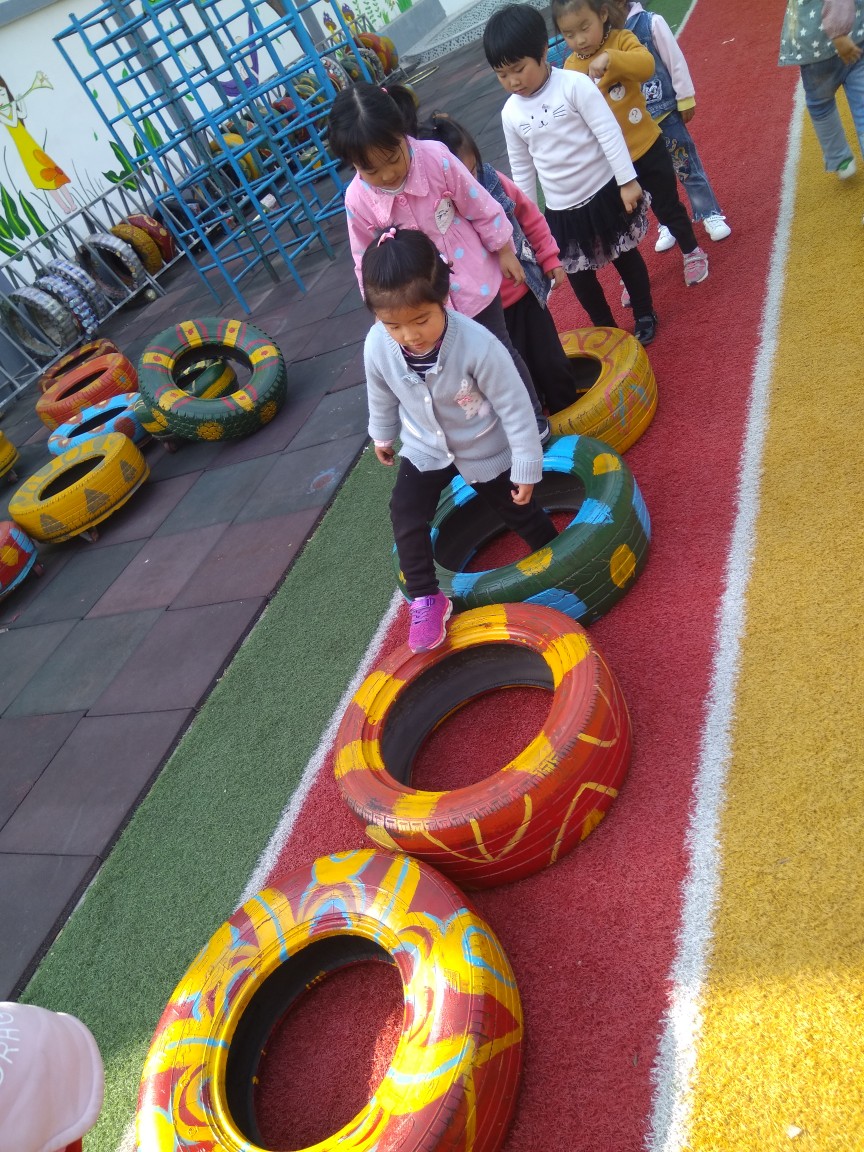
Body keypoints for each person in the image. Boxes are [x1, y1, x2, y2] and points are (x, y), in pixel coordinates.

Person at [362, 226, 557, 653]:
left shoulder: (477, 344)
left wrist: (526, 465)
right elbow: (380, 391)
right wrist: (382, 434)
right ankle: (426, 598)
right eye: (393, 324)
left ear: (444, 297)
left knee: (517, 508)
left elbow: (515, 407)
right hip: (425, 447)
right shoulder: (378, 344)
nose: (410, 335)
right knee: (404, 513)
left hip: (483, 444)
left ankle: (557, 557)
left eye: (421, 320)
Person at [328, 82, 551, 441]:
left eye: (393, 158)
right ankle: (490, 433)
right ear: (353, 164)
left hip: (473, 283)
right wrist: (379, 306)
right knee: (456, 374)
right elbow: (363, 258)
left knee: (499, 352)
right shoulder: (358, 198)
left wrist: (504, 249)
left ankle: (532, 420)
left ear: (402, 133)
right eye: (370, 169)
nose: (386, 175)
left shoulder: (436, 159)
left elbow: (479, 204)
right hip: (421, 304)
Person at [483, 3, 658, 345]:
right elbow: (522, 170)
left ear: (542, 52)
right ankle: (606, 329)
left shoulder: (574, 84)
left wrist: (627, 181)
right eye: (502, 75)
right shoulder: (510, 113)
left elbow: (608, 132)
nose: (513, 81)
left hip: (604, 192)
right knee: (580, 277)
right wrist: (525, 223)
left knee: (625, 256)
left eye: (518, 69)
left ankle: (644, 313)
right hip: (561, 210)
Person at [420, 112, 581, 414]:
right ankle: (536, 420)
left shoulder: (491, 182)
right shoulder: (436, 214)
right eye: (459, 177)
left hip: (523, 295)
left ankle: (570, 410)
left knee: (550, 361)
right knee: (514, 374)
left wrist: (548, 256)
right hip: (484, 313)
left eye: (471, 170)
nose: (470, 184)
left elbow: (528, 214)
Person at [551, 0, 710, 293]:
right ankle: (631, 277)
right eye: (569, 34)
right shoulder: (571, 68)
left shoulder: (621, 39)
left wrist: (611, 58)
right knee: (621, 224)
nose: (580, 40)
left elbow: (646, 66)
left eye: (585, 28)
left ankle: (691, 251)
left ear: (602, 14)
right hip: (610, 164)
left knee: (667, 205)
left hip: (646, 146)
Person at [623, 1, 732, 250]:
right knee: (651, 180)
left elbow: (675, 61)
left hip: (664, 114)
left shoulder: (650, 23)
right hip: (636, 129)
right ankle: (667, 222)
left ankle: (708, 212)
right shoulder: (606, 38)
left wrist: (685, 97)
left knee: (687, 166)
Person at [779, 0, 864, 183]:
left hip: (815, 44)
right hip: (853, 32)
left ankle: (840, 159)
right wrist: (838, 32)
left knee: (821, 105)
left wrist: (838, 32)